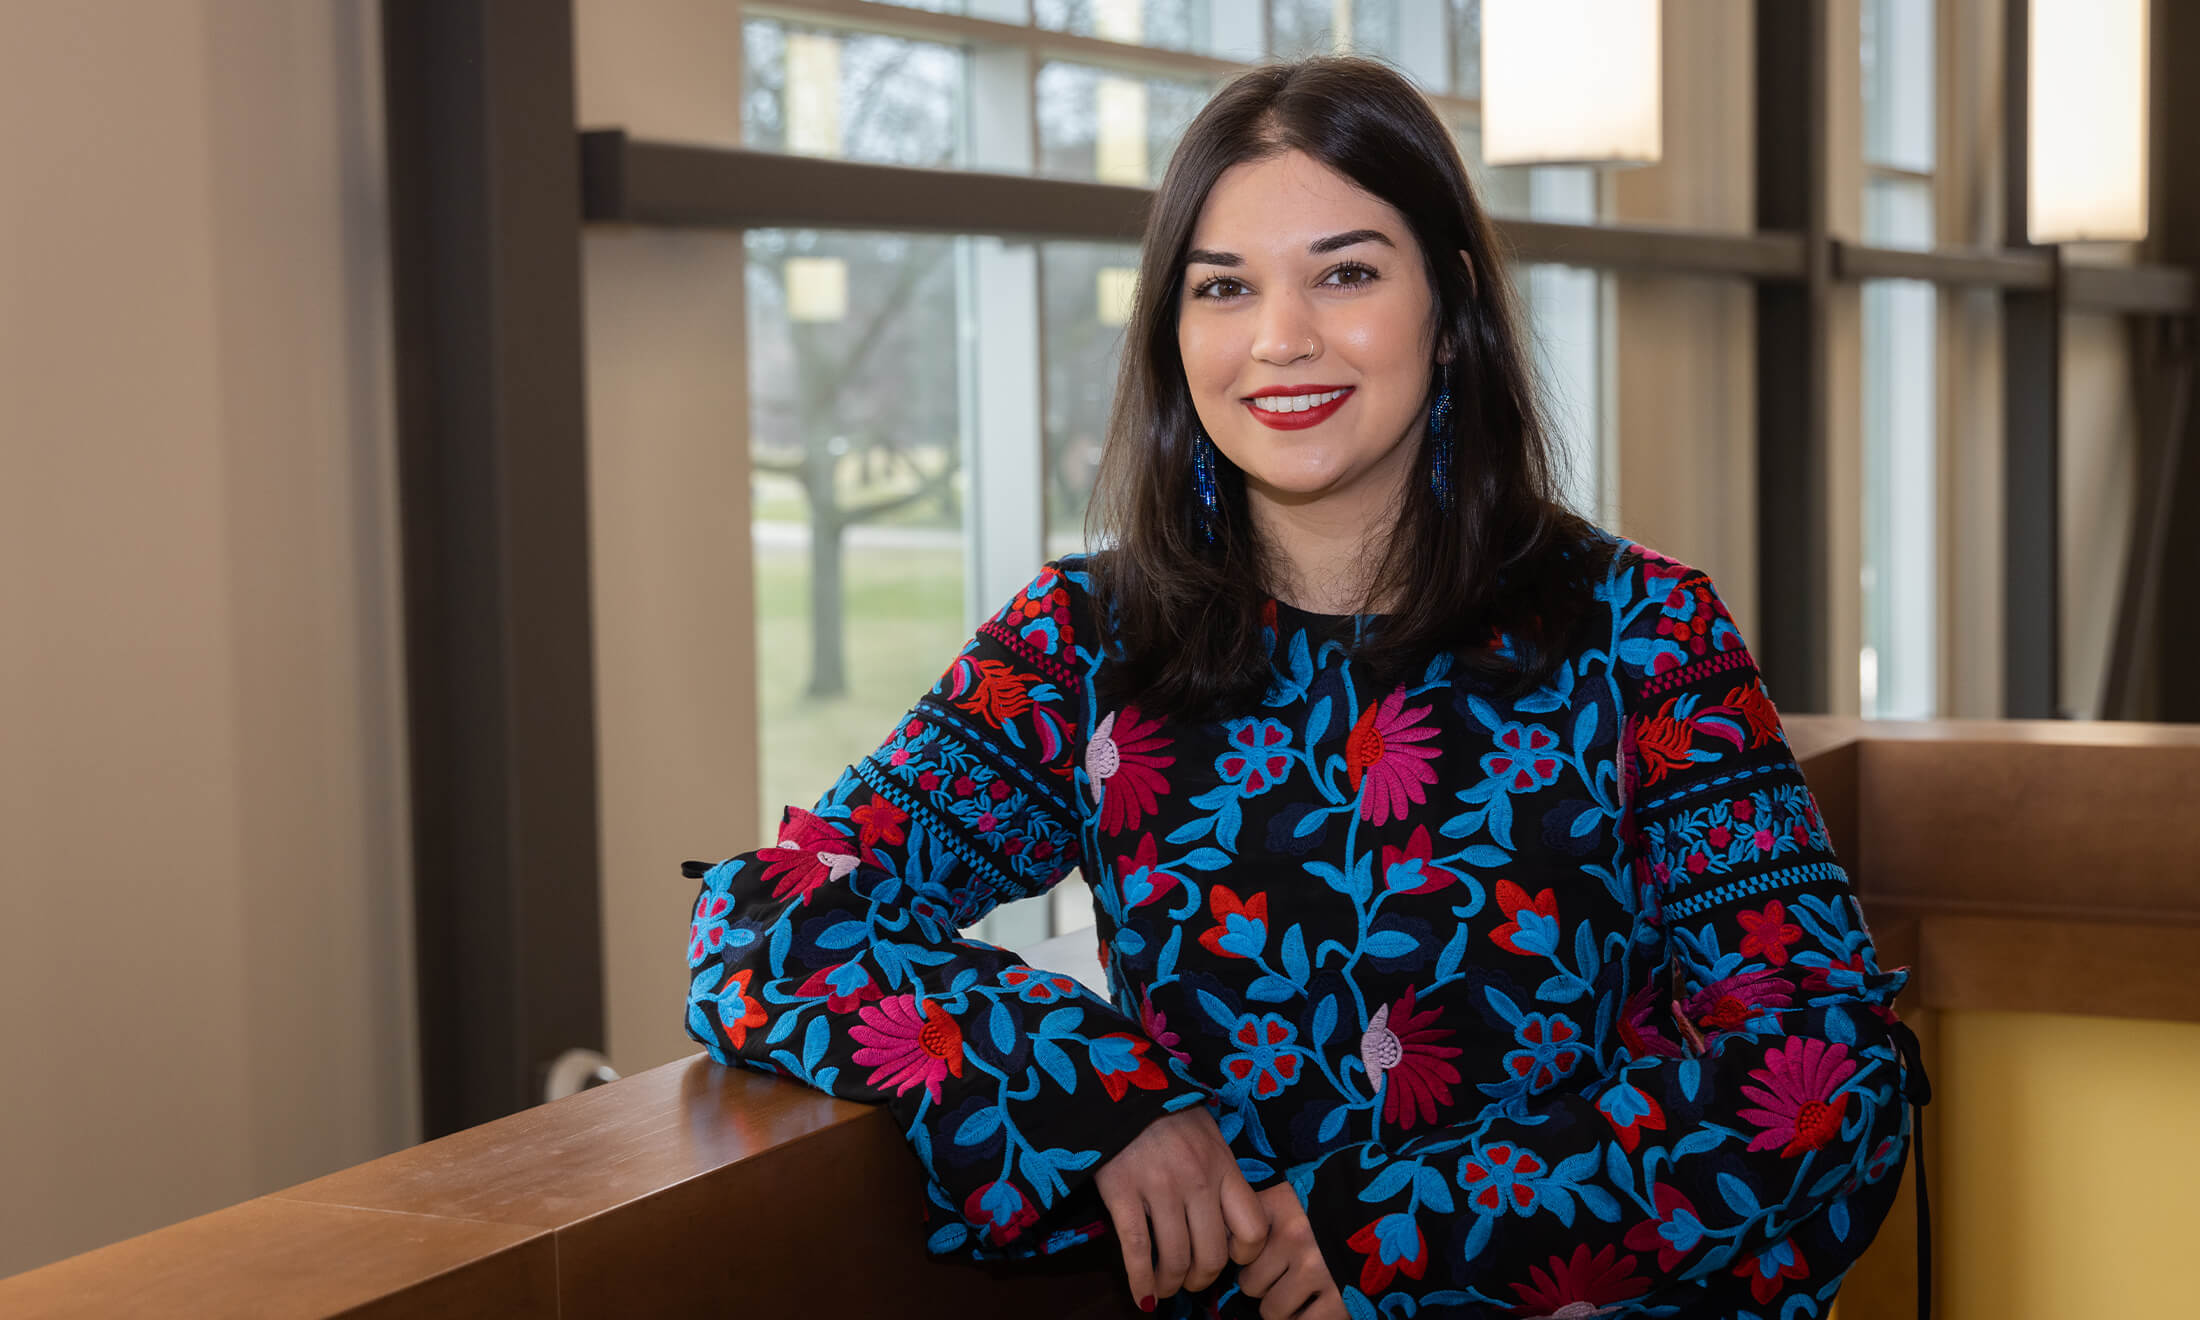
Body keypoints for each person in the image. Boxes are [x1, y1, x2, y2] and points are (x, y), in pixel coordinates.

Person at [682, 55, 1930, 1320]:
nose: (1280, 339)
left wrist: (1396, 1232)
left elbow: (1824, 1077)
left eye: (1345, 273)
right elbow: (767, 920)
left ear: (1448, 308)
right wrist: (1087, 1090)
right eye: (1222, 288)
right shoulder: (1085, 644)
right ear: (1176, 335)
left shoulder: (1643, 630)